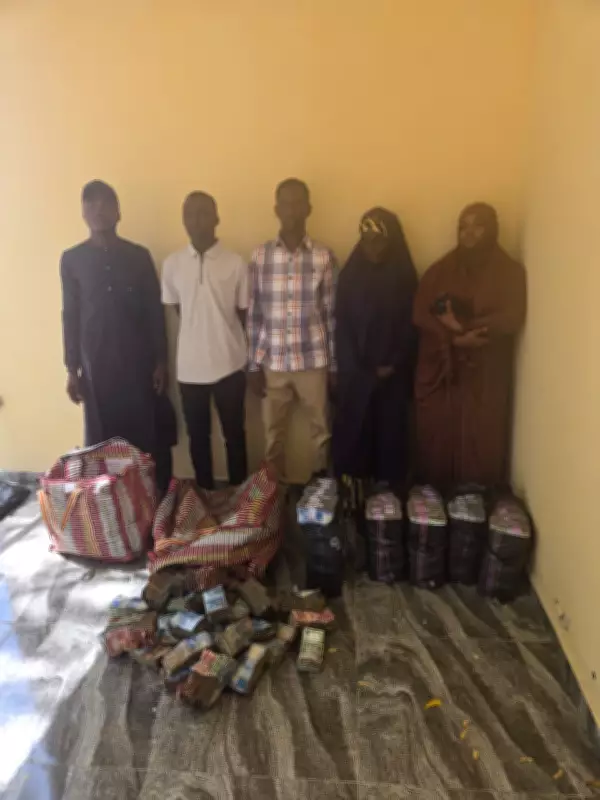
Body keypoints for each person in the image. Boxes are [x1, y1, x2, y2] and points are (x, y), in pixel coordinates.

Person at [61, 180, 175, 493]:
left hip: (139, 365)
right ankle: (113, 507)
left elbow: (154, 312)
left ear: (118, 211)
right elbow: (70, 315)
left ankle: (153, 502)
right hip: (96, 369)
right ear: (83, 212)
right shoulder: (72, 260)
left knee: (146, 438)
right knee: (103, 444)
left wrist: (161, 361)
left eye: (106, 203)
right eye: (91, 203)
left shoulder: (138, 256)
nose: (99, 209)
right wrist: (72, 369)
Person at [413, 202, 526, 489]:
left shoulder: (509, 272)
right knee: (438, 435)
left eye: (477, 226)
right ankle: (434, 502)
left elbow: (511, 317)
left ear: (493, 230)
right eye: (463, 227)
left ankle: (477, 502)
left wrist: (461, 327)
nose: (469, 233)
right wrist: (453, 337)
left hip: (485, 373)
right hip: (443, 371)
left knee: (482, 438)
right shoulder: (440, 271)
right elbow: (420, 314)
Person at [247, 178, 336, 482]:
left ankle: (321, 492)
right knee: (273, 436)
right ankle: (275, 494)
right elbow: (255, 314)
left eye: (298, 203)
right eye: (285, 203)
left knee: (322, 432)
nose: (291, 210)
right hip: (273, 363)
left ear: (309, 208)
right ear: (276, 209)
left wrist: (334, 366)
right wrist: (253, 365)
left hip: (313, 360)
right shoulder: (260, 256)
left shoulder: (323, 256)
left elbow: (331, 314)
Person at [162, 191, 248, 489]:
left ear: (216, 218)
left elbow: (243, 313)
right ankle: (204, 496)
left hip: (230, 363)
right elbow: (178, 308)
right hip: (190, 368)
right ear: (183, 220)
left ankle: (239, 497)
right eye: (189, 214)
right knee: (198, 438)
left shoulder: (236, 263)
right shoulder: (172, 265)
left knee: (234, 435)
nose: (196, 221)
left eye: (203, 213)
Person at [333, 208, 418, 487]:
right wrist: (360, 369)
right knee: (355, 439)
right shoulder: (350, 276)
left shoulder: (405, 277)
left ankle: (389, 502)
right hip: (357, 376)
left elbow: (412, 324)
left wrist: (393, 364)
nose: (374, 248)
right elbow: (342, 323)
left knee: (390, 439)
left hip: (394, 375)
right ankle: (355, 502)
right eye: (367, 241)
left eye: (380, 241)